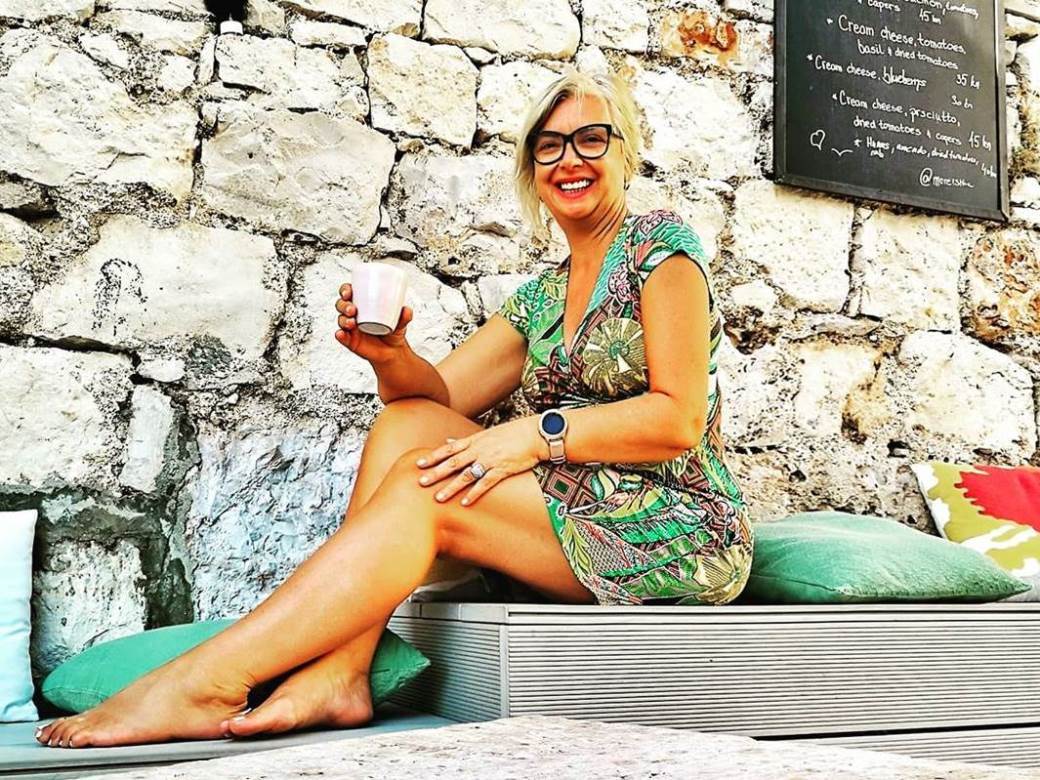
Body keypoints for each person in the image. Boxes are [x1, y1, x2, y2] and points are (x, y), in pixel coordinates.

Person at [35, 68, 753, 749]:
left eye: (591, 139)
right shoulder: (541, 297)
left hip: (677, 529)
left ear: (625, 152)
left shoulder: (661, 250)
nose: (570, 159)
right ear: (532, 169)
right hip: (570, 513)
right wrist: (390, 355)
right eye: (548, 145)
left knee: (423, 485)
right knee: (405, 423)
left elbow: (677, 418)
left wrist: (535, 435)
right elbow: (435, 400)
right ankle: (343, 671)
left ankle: (205, 682)